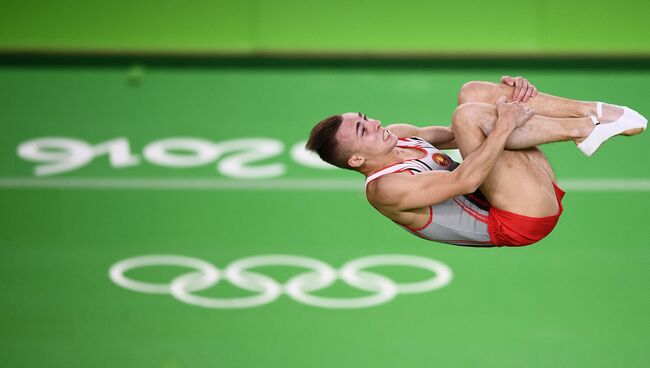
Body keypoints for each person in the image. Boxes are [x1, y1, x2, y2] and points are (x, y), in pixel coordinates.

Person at [305, 76, 647, 247]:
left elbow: (459, 134)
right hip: (518, 219)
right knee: (471, 115)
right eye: (364, 130)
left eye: (367, 118)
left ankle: (593, 111)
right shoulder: (385, 188)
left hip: (507, 189)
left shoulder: (398, 134)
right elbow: (465, 181)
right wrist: (507, 120)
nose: (377, 123)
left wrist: (513, 96)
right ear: (357, 159)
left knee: (473, 94)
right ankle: (583, 128)